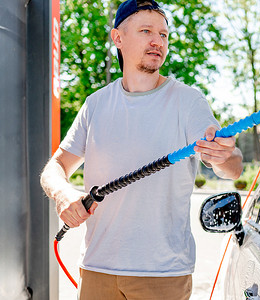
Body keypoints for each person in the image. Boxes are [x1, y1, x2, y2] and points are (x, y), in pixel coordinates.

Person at [40, 0, 243, 299]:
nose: (156, 41)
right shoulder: (95, 104)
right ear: (118, 38)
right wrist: (63, 195)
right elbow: (55, 167)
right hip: (97, 270)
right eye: (146, 30)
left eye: (163, 34)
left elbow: (232, 167)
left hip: (163, 276)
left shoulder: (189, 102)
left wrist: (225, 156)